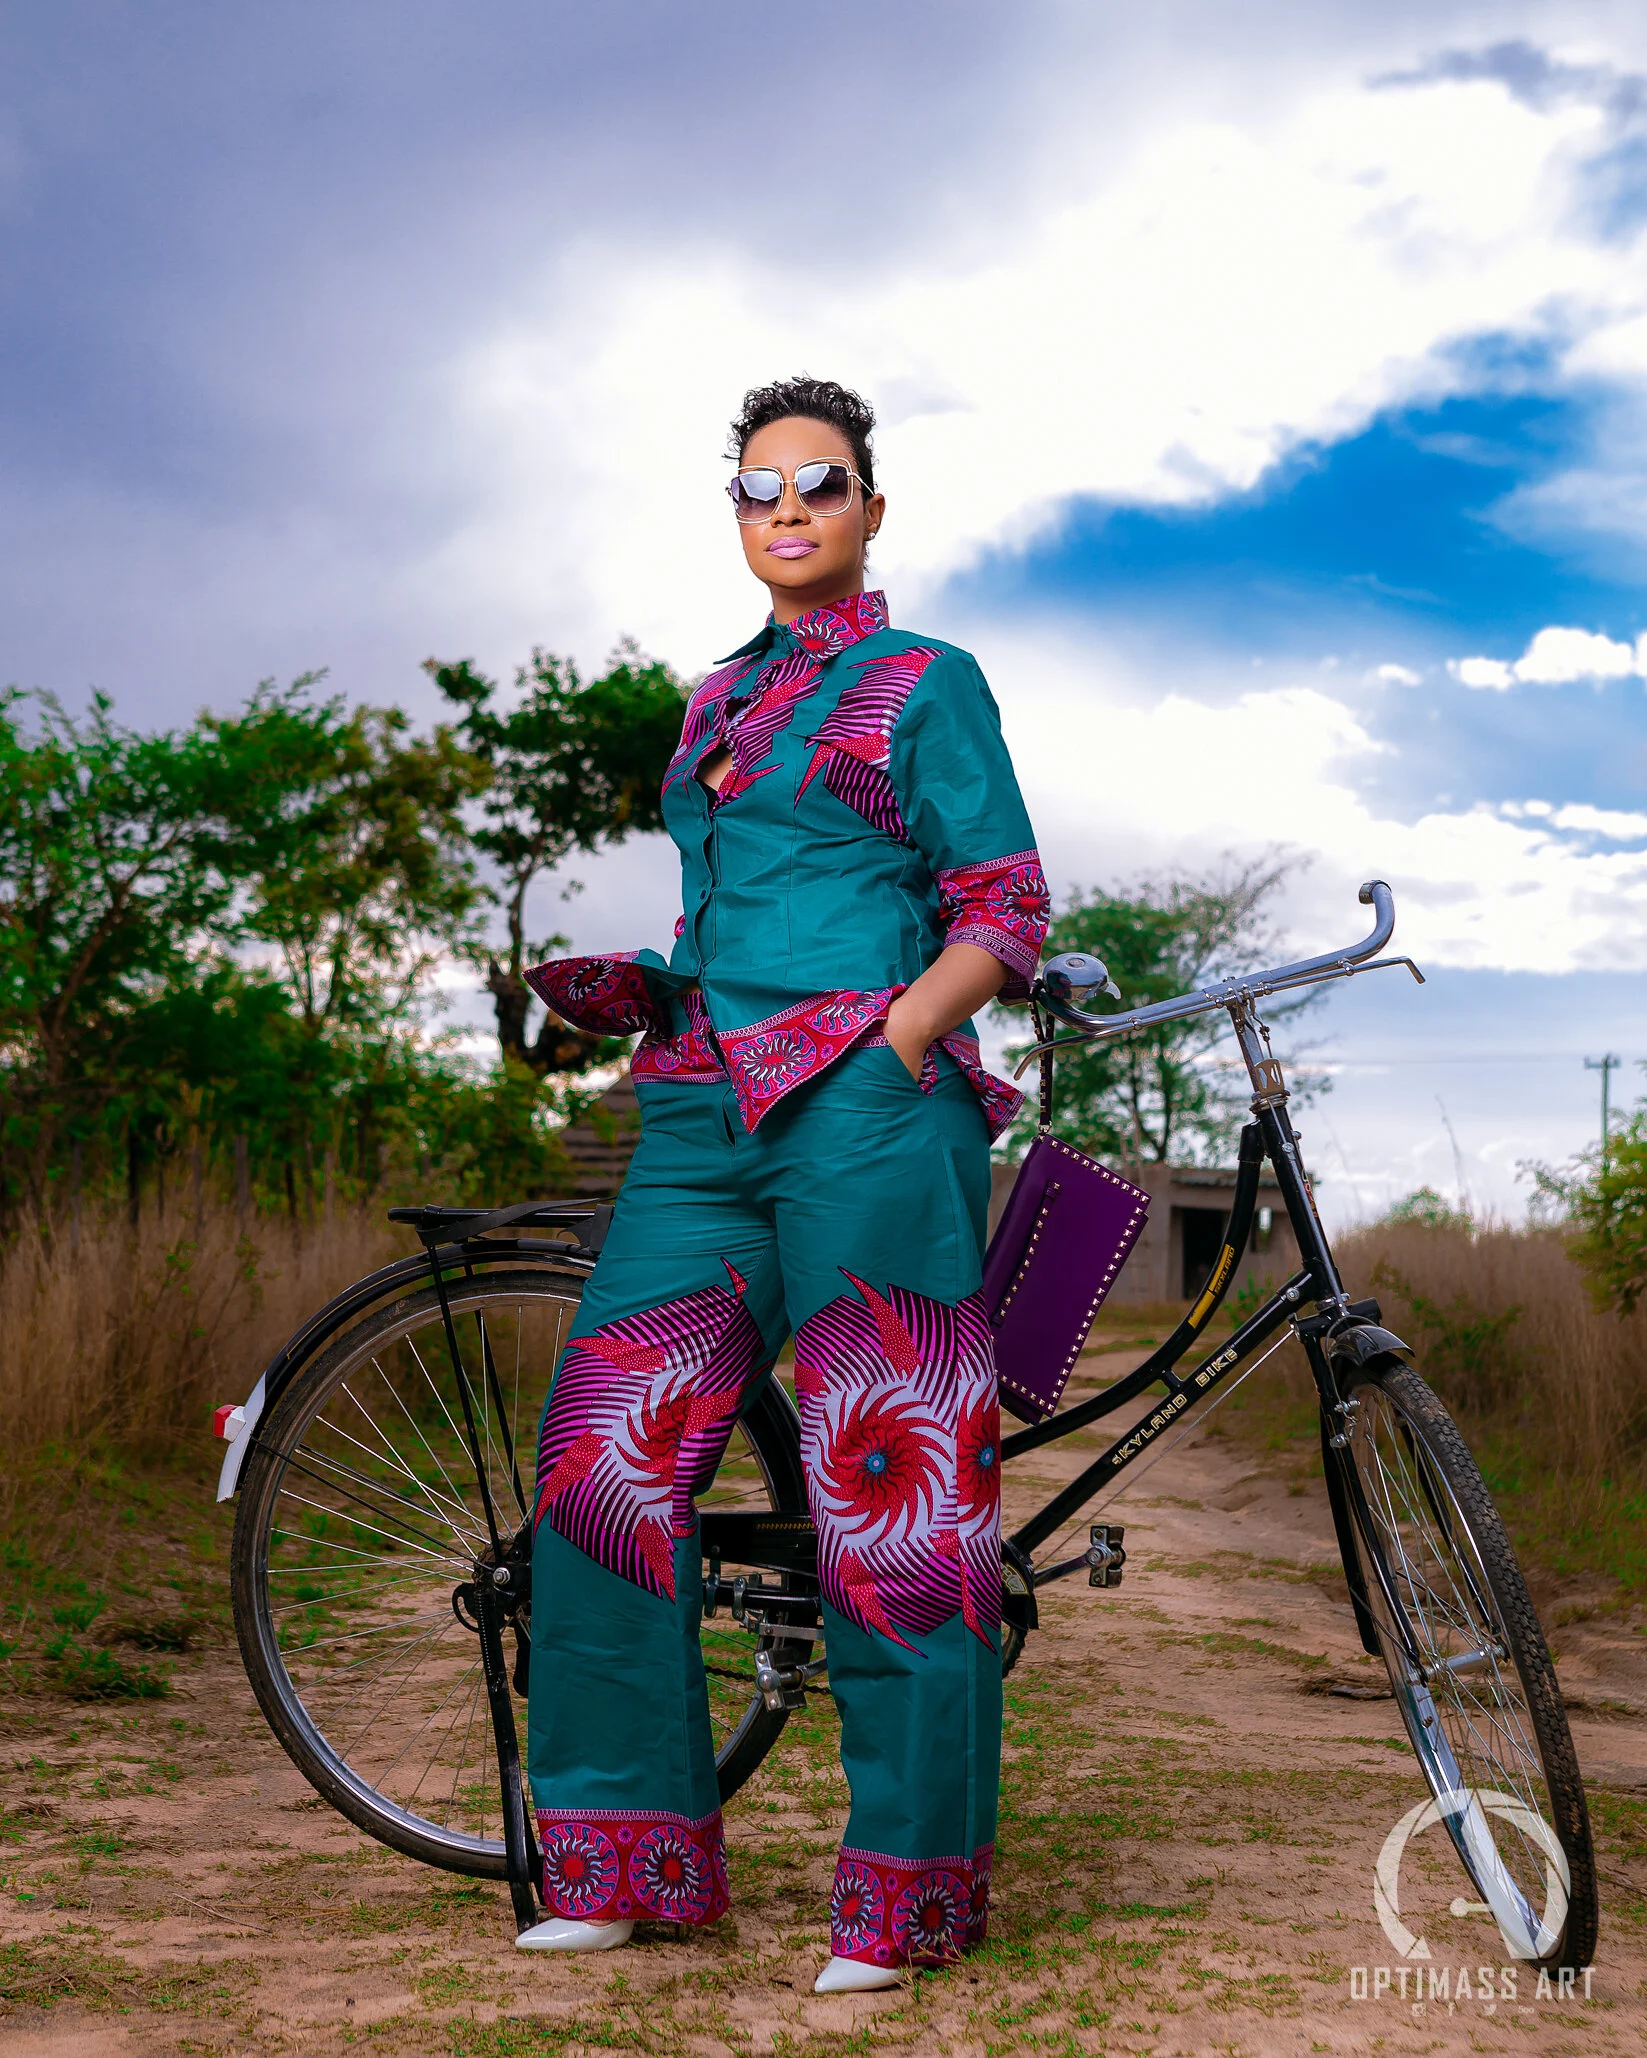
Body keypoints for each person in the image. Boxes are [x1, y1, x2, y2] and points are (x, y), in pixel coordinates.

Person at [518, 376, 1049, 1991]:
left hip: (868, 1116)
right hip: (698, 1112)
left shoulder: (922, 682)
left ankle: (905, 1895)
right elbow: (725, 908)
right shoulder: (710, 704)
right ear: (737, 516)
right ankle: (625, 1858)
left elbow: (1003, 903)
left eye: (821, 482)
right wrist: (649, 983)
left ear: (871, 510)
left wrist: (898, 1040)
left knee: (891, 1497)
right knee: (603, 1460)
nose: (789, 508)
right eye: (757, 489)